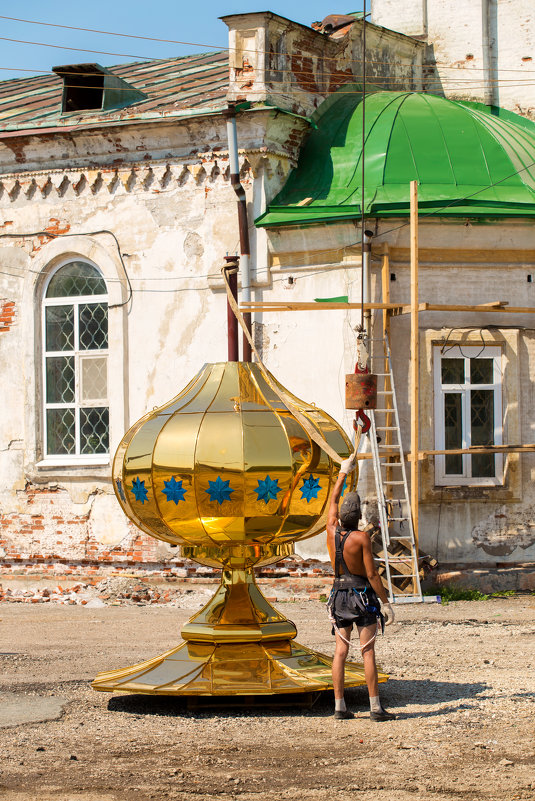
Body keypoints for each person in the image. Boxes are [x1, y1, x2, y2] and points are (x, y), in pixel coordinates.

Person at [326, 454, 396, 721]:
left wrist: (343, 472)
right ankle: (376, 708)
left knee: (340, 651)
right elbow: (372, 574)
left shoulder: (330, 530)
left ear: (341, 516)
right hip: (361, 595)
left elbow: (332, 501)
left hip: (338, 596)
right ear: (359, 516)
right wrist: (386, 602)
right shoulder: (362, 538)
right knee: (367, 651)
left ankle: (339, 707)